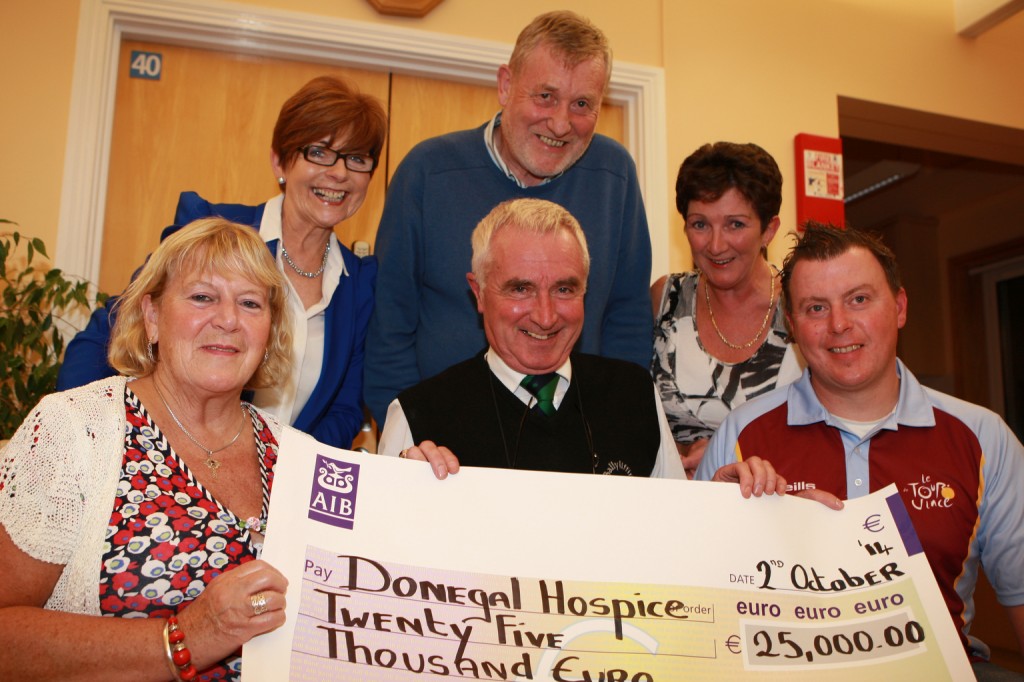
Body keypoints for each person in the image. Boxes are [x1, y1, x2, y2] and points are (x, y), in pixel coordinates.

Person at [696, 223, 1024, 675]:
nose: (839, 325)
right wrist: (727, 520)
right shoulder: (740, 437)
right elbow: (700, 610)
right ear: (792, 326)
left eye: (859, 299)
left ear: (900, 307)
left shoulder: (983, 437)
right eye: (815, 308)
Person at [0, 219, 291, 680]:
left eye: (250, 303)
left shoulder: (299, 455)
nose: (229, 320)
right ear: (152, 316)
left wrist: (420, 486)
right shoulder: (74, 429)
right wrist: (183, 639)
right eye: (202, 297)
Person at [57, 75, 388, 449]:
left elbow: (344, 410)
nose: (340, 172)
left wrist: (282, 468)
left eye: (357, 158)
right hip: (169, 466)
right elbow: (110, 332)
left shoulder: (361, 282)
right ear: (279, 160)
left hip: (276, 488)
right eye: (319, 152)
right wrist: (79, 439)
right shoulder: (210, 229)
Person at [365, 10, 653, 428]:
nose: (560, 123)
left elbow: (627, 318)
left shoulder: (615, 174)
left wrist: (617, 426)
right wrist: (410, 438)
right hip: (443, 443)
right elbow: (389, 328)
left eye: (582, 104)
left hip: (579, 437)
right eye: (545, 96)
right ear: (506, 85)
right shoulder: (427, 172)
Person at [651, 142, 803, 478]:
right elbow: (630, 415)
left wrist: (726, 451)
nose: (716, 245)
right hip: (679, 509)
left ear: (769, 229)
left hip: (777, 506)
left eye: (735, 224)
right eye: (700, 224)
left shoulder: (802, 305)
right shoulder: (665, 300)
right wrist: (679, 454)